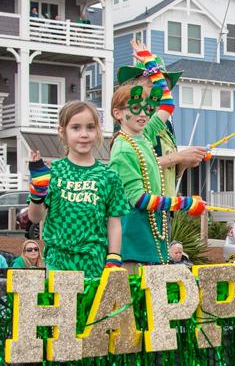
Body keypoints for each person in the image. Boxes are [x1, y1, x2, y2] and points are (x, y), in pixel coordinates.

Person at [109, 40, 206, 270]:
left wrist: (151, 63)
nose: (143, 113)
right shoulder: (123, 147)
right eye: (135, 107)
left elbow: (168, 103)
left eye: (147, 106)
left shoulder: (145, 133)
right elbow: (138, 199)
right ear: (118, 113)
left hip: (154, 235)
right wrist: (183, 203)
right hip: (133, 240)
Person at [27, 101, 130, 277]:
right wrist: (38, 193)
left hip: (95, 262)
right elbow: (35, 217)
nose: (84, 134)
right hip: (58, 262)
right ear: (62, 132)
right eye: (76, 128)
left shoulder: (109, 176)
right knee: (62, 306)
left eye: (90, 127)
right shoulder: (53, 172)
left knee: (93, 306)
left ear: (97, 131)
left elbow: (114, 223)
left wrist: (114, 258)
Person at [116, 57, 207, 199]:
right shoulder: (133, 127)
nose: (157, 92)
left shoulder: (165, 125)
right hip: (143, 205)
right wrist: (179, 156)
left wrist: (183, 162)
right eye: (151, 85)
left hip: (165, 205)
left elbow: (171, 171)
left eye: (163, 86)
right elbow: (139, 165)